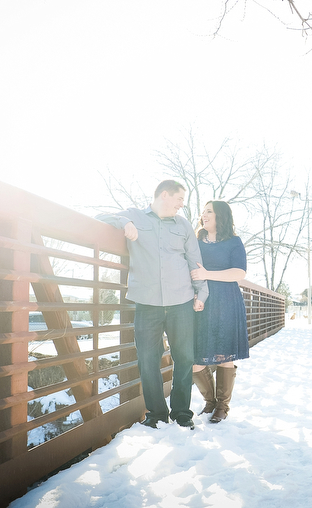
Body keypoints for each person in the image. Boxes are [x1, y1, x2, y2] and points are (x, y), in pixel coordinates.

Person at [96, 180, 208, 430]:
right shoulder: (134, 215)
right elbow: (100, 216)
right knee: (147, 359)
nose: (182, 204)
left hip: (181, 301)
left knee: (184, 357)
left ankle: (181, 412)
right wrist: (124, 223)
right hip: (147, 303)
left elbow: (195, 262)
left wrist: (202, 294)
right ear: (165, 195)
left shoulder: (184, 225)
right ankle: (156, 413)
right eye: (179, 199)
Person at [190, 200, 249, 423]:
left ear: (220, 216)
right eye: (203, 212)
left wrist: (208, 274)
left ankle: (222, 406)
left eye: (209, 212)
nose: (204, 215)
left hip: (226, 301)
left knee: (225, 355)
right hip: (201, 302)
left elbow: (239, 272)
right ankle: (210, 402)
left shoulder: (234, 242)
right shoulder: (196, 241)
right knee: (197, 359)